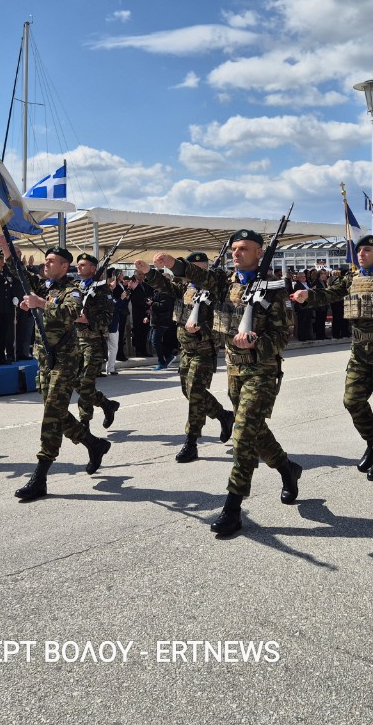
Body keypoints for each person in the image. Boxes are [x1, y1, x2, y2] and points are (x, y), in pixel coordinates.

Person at [149, 229, 301, 538]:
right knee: (255, 431)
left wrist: (256, 341)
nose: (236, 252)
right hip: (234, 371)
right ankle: (286, 468)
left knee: (242, 435)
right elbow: (196, 276)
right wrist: (173, 265)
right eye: (234, 248)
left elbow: (284, 334)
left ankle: (232, 508)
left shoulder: (274, 289)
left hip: (261, 370)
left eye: (244, 248)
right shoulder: (224, 283)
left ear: (260, 253)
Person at [0, 234, 111, 503]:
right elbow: (19, 272)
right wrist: (7, 248)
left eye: (51, 261)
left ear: (64, 266)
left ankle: (40, 476)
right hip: (44, 360)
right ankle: (94, 444)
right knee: (54, 411)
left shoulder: (73, 288)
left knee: (51, 416)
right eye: (45, 260)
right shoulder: (44, 285)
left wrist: (40, 303)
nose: (46, 264)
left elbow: (70, 312)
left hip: (65, 360)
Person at [292, 233, 373, 482]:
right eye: (360, 250)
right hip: (359, 351)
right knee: (352, 401)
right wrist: (308, 297)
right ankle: (372, 441)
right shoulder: (352, 277)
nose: (362, 254)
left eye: (368, 250)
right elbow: (331, 294)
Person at [141, 250, 235, 463]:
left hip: (204, 348)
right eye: (192, 269)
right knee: (189, 391)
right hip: (185, 349)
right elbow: (164, 286)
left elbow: (219, 316)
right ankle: (223, 415)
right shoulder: (185, 288)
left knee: (194, 394)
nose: (194, 274)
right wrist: (148, 272)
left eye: (199, 269)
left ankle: (191, 442)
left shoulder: (215, 287)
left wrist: (201, 328)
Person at [71, 252, 121, 429]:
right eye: (78, 264)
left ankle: (84, 423)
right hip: (75, 341)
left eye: (83, 265)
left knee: (86, 383)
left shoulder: (103, 290)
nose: (78, 267)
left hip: (93, 343)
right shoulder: (75, 287)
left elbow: (108, 318)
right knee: (74, 380)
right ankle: (107, 404)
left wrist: (89, 320)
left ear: (94, 269)